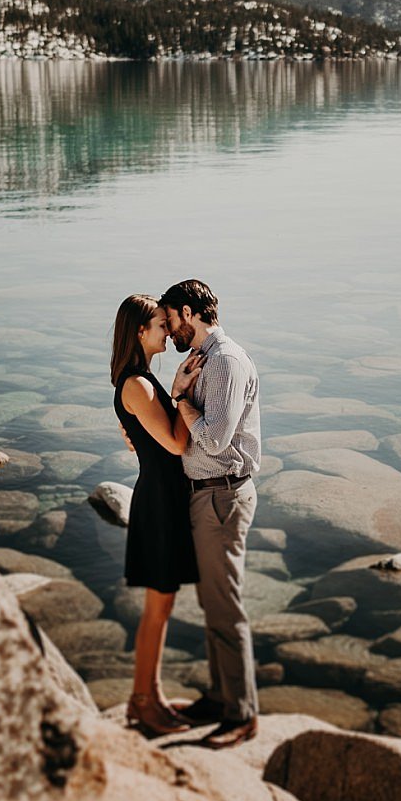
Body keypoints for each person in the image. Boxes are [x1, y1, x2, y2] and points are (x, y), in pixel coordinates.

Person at [160, 278, 262, 749]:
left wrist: (180, 400)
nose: (169, 329)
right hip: (207, 494)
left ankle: (242, 714)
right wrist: (181, 388)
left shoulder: (226, 361)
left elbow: (216, 439)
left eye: (170, 318)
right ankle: (222, 697)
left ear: (188, 312)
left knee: (226, 606)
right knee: (212, 603)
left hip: (222, 493)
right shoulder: (207, 360)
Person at [109, 294, 204, 736]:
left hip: (165, 497)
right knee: (157, 607)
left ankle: (152, 695)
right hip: (159, 503)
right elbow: (175, 445)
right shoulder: (138, 384)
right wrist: (182, 393)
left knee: (162, 606)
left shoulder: (142, 381)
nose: (168, 331)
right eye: (161, 325)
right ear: (140, 332)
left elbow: (151, 434)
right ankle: (142, 702)